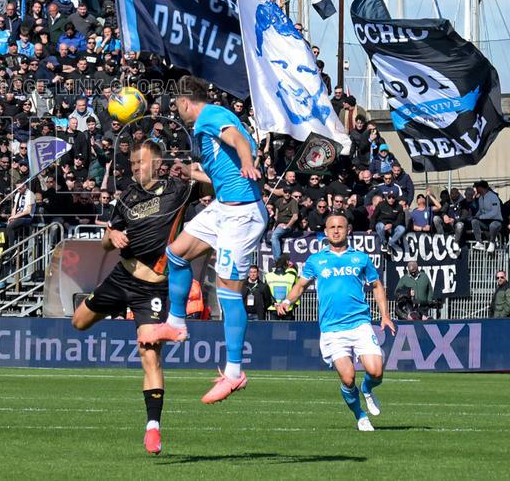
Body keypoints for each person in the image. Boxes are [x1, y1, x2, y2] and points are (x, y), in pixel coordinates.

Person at [148, 75, 268, 406]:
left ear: (186, 103)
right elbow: (222, 173)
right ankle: (176, 324)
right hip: (223, 208)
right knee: (176, 253)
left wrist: (247, 161)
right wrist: (191, 173)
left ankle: (234, 373)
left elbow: (239, 143)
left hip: (241, 215)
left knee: (230, 293)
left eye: (176, 105)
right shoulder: (207, 125)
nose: (176, 111)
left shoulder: (213, 116)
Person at [71, 140, 191, 455]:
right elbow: (105, 244)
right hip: (122, 277)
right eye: (133, 164)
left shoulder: (177, 190)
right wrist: (111, 237)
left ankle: (153, 428)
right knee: (79, 322)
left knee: (149, 354)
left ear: (157, 163)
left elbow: (213, 185)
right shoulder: (126, 198)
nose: (135, 168)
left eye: (140, 162)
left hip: (152, 288)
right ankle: (124, 314)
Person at [276, 213, 396, 431]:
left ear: (348, 230)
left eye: (340, 226)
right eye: (332, 227)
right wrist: (286, 301)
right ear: (325, 232)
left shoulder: (360, 258)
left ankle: (367, 389)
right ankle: (360, 415)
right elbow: (301, 286)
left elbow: (377, 286)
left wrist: (385, 315)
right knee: (348, 378)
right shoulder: (316, 260)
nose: (336, 230)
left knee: (376, 372)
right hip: (332, 329)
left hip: (360, 323)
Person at [471, 180, 503, 253]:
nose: (476, 190)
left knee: (493, 225)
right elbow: (480, 210)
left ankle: (492, 243)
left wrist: (481, 217)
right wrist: (476, 216)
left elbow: (494, 212)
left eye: (477, 188)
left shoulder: (493, 197)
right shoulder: (480, 198)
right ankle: (479, 242)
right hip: (485, 221)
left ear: (481, 188)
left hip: (496, 221)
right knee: (474, 221)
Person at [265, 255, 298, 320]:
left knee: (274, 329)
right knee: (288, 329)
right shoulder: (291, 277)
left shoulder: (268, 276)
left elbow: (267, 293)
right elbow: (295, 292)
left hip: (274, 308)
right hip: (287, 307)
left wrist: (275, 304)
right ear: (286, 263)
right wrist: (293, 305)